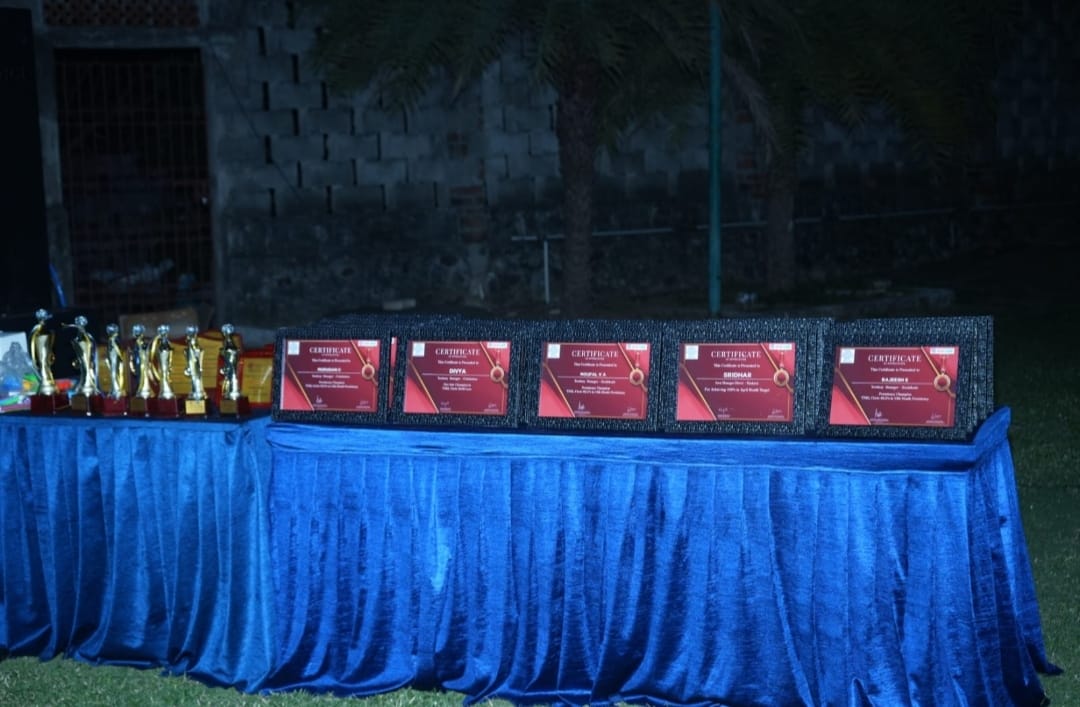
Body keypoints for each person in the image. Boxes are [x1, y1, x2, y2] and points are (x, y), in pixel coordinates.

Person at [65, 315, 99, 398]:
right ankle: (85, 383)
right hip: (82, 361)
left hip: (89, 361)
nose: (79, 326)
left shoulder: (88, 337)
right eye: (78, 324)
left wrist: (92, 360)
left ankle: (89, 384)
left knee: (86, 368)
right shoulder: (77, 339)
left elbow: (94, 350)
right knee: (83, 368)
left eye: (81, 324)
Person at [28, 308, 58, 396]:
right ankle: (44, 381)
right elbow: (31, 343)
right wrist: (33, 360)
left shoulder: (49, 332)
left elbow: (51, 344)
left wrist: (51, 352)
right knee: (44, 365)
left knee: (47, 365)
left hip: (46, 354)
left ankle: (48, 381)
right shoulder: (36, 329)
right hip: (41, 354)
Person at [150, 324, 175, 400]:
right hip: (161, 363)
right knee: (163, 374)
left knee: (166, 375)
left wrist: (170, 362)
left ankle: (167, 390)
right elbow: (152, 353)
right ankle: (164, 390)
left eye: (164, 331)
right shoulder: (156, 342)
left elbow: (171, 352)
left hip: (166, 363)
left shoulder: (168, 342)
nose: (163, 333)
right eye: (161, 331)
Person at [129, 324, 154, 400]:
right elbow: (133, 355)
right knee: (138, 377)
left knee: (143, 375)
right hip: (137, 363)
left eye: (138, 332)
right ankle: (140, 390)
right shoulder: (135, 344)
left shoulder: (144, 343)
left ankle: (145, 390)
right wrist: (132, 364)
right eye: (136, 332)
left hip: (143, 364)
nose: (137, 334)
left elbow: (147, 353)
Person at [219, 322, 241, 401]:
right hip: (229, 362)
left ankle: (233, 391)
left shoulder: (229, 342)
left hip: (232, 361)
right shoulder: (226, 343)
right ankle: (229, 391)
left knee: (233, 375)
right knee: (230, 376)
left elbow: (234, 349)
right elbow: (224, 351)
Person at [184, 325, 206, 401]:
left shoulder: (198, 349)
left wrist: (200, 368)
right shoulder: (187, 350)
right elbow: (187, 359)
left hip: (196, 366)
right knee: (193, 379)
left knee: (197, 378)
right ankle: (195, 392)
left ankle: (198, 392)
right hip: (192, 366)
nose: (191, 340)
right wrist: (187, 367)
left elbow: (200, 357)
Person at [105, 323, 127, 399]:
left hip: (116, 360)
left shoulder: (115, 340)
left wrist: (120, 358)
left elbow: (119, 351)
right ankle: (114, 389)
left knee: (115, 373)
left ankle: (117, 390)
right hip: (111, 360)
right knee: (113, 374)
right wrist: (107, 359)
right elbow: (108, 351)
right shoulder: (110, 340)